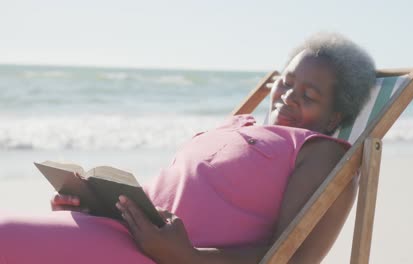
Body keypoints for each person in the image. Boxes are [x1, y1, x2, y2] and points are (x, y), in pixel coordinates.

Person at [0, 32, 375, 264]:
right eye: (287, 82)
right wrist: (94, 205)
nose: (288, 97)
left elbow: (291, 259)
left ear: (332, 117)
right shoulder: (240, 124)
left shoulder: (321, 151)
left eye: (308, 95)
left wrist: (189, 258)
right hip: (119, 234)